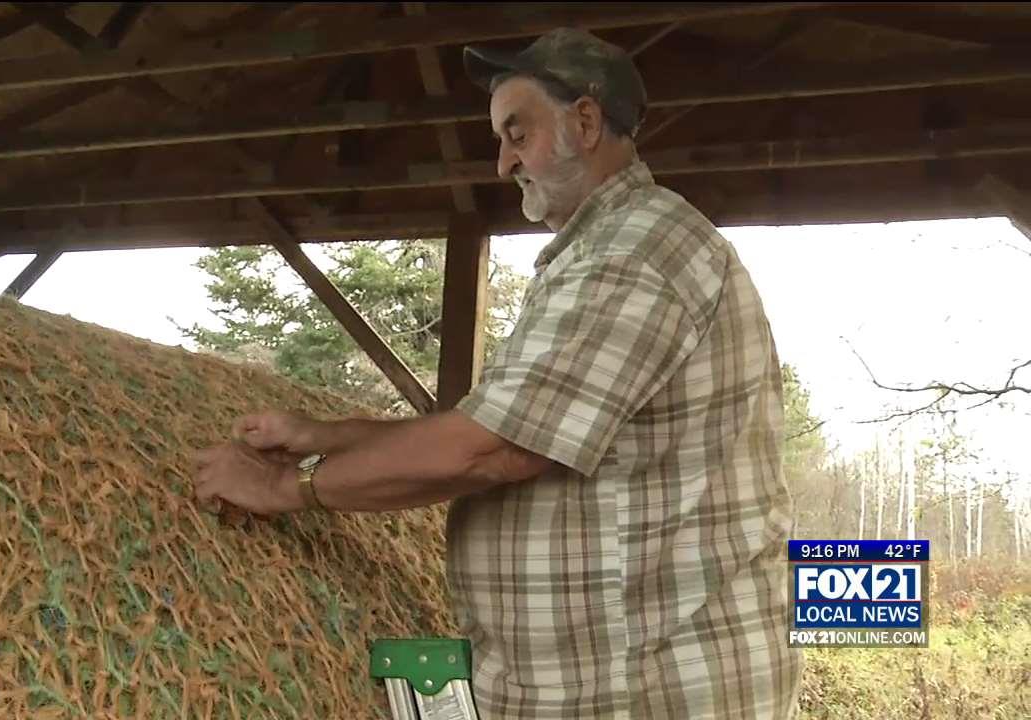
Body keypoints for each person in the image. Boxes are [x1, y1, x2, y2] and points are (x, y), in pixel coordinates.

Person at [194, 27, 802, 719]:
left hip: (653, 692)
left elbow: (497, 450)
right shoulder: (595, 255)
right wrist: (324, 435)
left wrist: (285, 485)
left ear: (586, 120)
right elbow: (492, 424)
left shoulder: (639, 251)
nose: (501, 163)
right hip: (595, 686)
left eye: (517, 133)